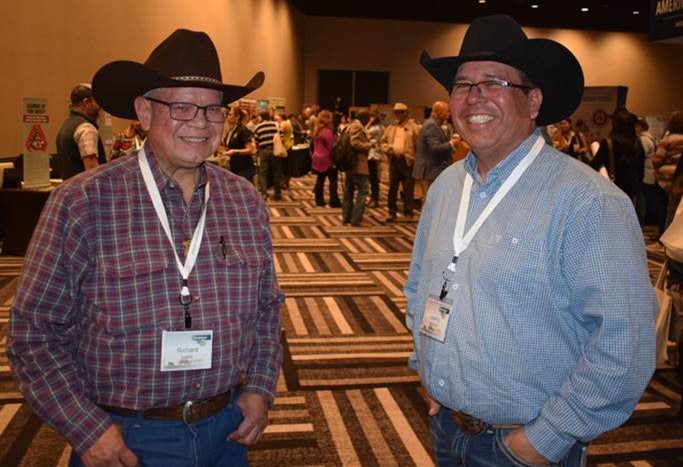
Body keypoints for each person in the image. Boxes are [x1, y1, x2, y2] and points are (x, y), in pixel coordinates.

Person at [8, 29, 283, 467]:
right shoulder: (84, 202)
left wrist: (260, 389)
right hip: (127, 439)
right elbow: (33, 333)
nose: (201, 122)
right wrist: (87, 428)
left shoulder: (245, 201)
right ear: (143, 111)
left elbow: (268, 309)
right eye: (182, 106)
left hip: (226, 431)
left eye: (214, 109)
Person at [410, 15, 656, 466]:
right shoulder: (446, 187)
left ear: (534, 100)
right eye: (462, 85)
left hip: (524, 446)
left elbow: (625, 343)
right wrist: (426, 369)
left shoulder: (589, 202)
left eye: (494, 82)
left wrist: (546, 438)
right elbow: (419, 286)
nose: (473, 97)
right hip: (444, 426)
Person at [590, 107, 645, 205]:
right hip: (632, 191)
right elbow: (641, 171)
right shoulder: (637, 143)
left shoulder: (609, 143)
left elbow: (594, 166)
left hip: (613, 188)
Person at [56, 83, 107, 179]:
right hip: (84, 192)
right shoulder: (86, 128)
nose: (100, 108)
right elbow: (92, 171)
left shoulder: (65, 125)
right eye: (97, 102)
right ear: (87, 102)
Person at [381, 103, 420, 222]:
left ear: (406, 113)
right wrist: (386, 148)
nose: (397, 115)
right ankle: (391, 212)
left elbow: (419, 145)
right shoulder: (391, 127)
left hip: (407, 161)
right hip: (394, 160)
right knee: (392, 188)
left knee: (408, 188)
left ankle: (408, 212)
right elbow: (382, 141)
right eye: (395, 112)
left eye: (399, 112)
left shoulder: (414, 127)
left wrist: (415, 158)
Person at [342, 109, 373, 226]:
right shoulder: (357, 126)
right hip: (357, 164)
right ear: (364, 118)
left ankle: (347, 217)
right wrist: (369, 145)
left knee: (349, 190)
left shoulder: (352, 125)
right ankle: (355, 219)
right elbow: (354, 143)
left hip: (351, 164)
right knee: (363, 190)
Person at [418, 101, 459, 190]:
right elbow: (434, 148)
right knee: (431, 200)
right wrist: (452, 143)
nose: (449, 114)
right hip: (433, 170)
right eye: (447, 111)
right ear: (439, 112)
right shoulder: (431, 125)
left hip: (435, 170)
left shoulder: (435, 124)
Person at [311, 109, 341, 207]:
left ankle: (319, 201)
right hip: (327, 158)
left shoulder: (316, 131)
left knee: (320, 179)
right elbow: (332, 147)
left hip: (316, 157)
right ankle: (334, 201)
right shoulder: (328, 132)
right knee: (333, 180)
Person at [222, 106, 256, 183]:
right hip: (234, 168)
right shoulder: (231, 130)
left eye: (230, 115)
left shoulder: (243, 130)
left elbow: (250, 149)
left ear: (237, 117)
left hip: (245, 169)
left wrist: (235, 151)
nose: (228, 117)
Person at [254, 110, 281, 200]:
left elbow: (256, 141)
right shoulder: (275, 125)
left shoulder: (258, 127)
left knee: (263, 172)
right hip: (275, 150)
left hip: (263, 151)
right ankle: (277, 193)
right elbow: (282, 136)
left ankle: (264, 193)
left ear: (261, 117)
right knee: (276, 172)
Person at [365, 111, 384, 208]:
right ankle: (373, 198)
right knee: (372, 179)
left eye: (371, 117)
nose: (369, 119)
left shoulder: (375, 128)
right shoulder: (379, 127)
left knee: (374, 179)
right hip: (373, 154)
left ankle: (375, 199)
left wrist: (368, 124)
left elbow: (364, 134)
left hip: (373, 155)